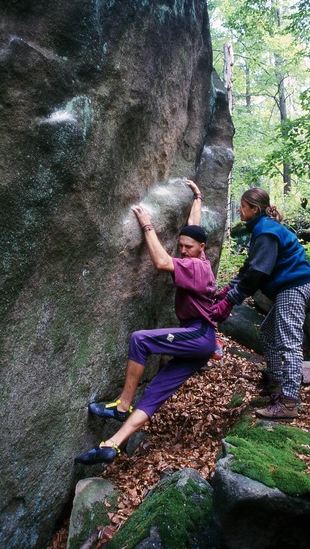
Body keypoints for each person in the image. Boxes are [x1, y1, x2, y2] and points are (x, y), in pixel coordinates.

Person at [75, 180, 217, 465]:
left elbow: (163, 263)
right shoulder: (199, 256)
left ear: (201, 248)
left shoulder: (197, 267)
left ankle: (122, 405)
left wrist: (147, 226)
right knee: (154, 393)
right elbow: (193, 227)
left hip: (199, 335)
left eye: (188, 247)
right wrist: (197, 196)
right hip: (199, 345)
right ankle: (111, 445)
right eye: (180, 246)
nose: (183, 251)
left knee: (140, 339)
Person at [211, 187, 310, 420]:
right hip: (292, 287)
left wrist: (231, 300)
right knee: (268, 334)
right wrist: (228, 289)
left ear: (254, 209)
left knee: (289, 343)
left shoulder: (267, 232)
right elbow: (249, 267)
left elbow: (258, 272)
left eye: (243, 206)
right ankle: (276, 383)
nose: (239, 209)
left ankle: (288, 402)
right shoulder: (261, 230)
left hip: (294, 286)